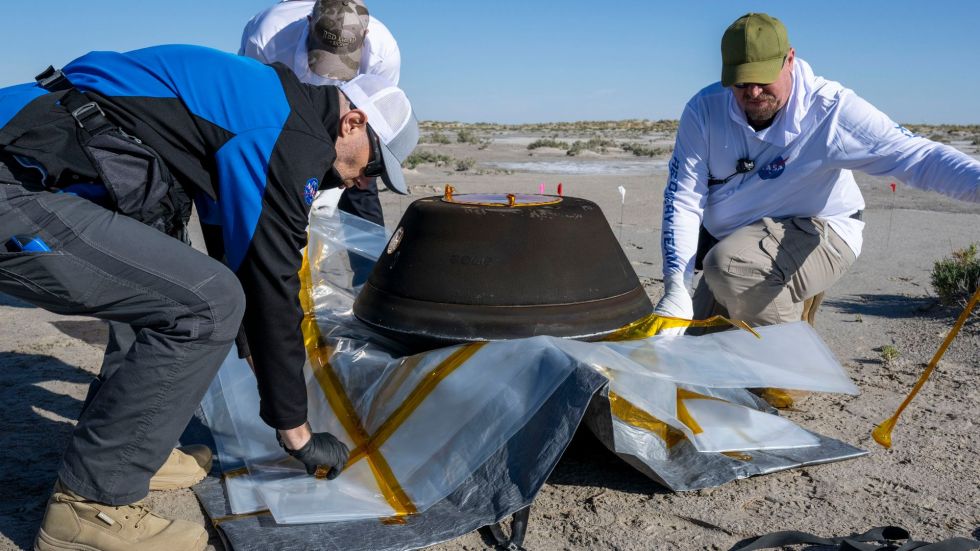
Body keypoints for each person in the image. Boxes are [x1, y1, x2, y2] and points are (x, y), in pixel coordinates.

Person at [0, 44, 418, 550]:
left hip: (36, 157)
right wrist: (294, 429)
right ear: (352, 122)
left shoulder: (270, 104)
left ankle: (128, 447)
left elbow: (237, 260)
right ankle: (90, 506)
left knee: (171, 275)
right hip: (18, 179)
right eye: (373, 167)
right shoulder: (290, 135)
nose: (362, 182)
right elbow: (269, 284)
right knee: (205, 302)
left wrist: (265, 376)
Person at [654, 12, 979, 331]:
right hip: (740, 241)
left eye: (763, 78)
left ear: (790, 60)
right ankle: (778, 315)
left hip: (822, 229)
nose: (752, 93)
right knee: (692, 348)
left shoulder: (832, 110)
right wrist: (676, 288)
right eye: (740, 82)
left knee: (729, 268)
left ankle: (788, 379)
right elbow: (683, 198)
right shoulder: (704, 110)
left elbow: (919, 157)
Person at [240, 0, 402, 227]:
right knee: (271, 194)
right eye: (326, 52)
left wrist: (365, 167)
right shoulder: (267, 36)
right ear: (309, 22)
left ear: (365, 34)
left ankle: (371, 263)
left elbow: (376, 118)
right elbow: (255, 107)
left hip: (346, 124)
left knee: (361, 187)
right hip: (281, 110)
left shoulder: (385, 53)